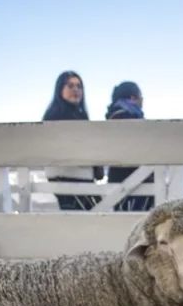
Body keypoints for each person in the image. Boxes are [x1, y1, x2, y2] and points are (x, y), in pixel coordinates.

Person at [42, 71, 103, 211]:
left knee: (94, 215)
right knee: (87, 218)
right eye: (70, 86)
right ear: (60, 89)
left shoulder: (81, 115)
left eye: (79, 86)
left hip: (83, 177)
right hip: (65, 176)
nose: (76, 90)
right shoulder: (55, 116)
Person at [105, 81, 154, 212]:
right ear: (134, 98)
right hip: (133, 181)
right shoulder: (130, 117)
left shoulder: (112, 117)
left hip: (120, 180)